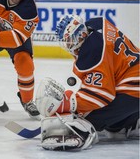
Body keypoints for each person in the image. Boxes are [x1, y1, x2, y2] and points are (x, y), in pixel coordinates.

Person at [35, 14, 139, 150]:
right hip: (133, 74)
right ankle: (129, 123)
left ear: (80, 35)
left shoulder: (93, 51)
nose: (68, 45)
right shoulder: (97, 24)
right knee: (113, 129)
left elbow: (102, 95)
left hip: (134, 88)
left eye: (69, 40)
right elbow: (104, 76)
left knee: (88, 119)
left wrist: (70, 103)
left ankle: (78, 133)